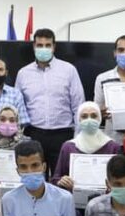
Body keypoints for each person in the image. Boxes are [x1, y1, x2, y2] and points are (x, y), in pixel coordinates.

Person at [15, 28, 84, 177]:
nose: (44, 49)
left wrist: (77, 138)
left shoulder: (69, 70)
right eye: (40, 45)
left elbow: (78, 105)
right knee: (35, 178)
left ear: (54, 47)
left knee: (62, 179)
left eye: (48, 45)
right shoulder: (23, 73)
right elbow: (17, 108)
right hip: (34, 134)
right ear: (34, 46)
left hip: (63, 134)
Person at [52, 102, 122, 185]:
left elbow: (122, 177)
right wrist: (62, 181)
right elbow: (56, 178)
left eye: (93, 116)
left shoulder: (113, 147)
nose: (89, 120)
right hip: (73, 192)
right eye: (84, 116)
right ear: (79, 120)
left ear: (100, 118)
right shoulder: (68, 147)